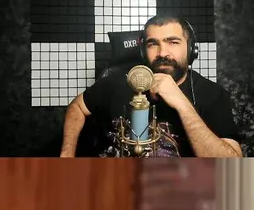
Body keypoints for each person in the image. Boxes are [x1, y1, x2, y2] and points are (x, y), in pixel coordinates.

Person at [59, 14, 242, 158]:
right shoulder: (118, 82)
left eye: (173, 42)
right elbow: (77, 107)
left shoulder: (212, 94)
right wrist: (67, 154)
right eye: (153, 44)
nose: (162, 53)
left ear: (191, 49)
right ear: (142, 51)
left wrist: (181, 103)